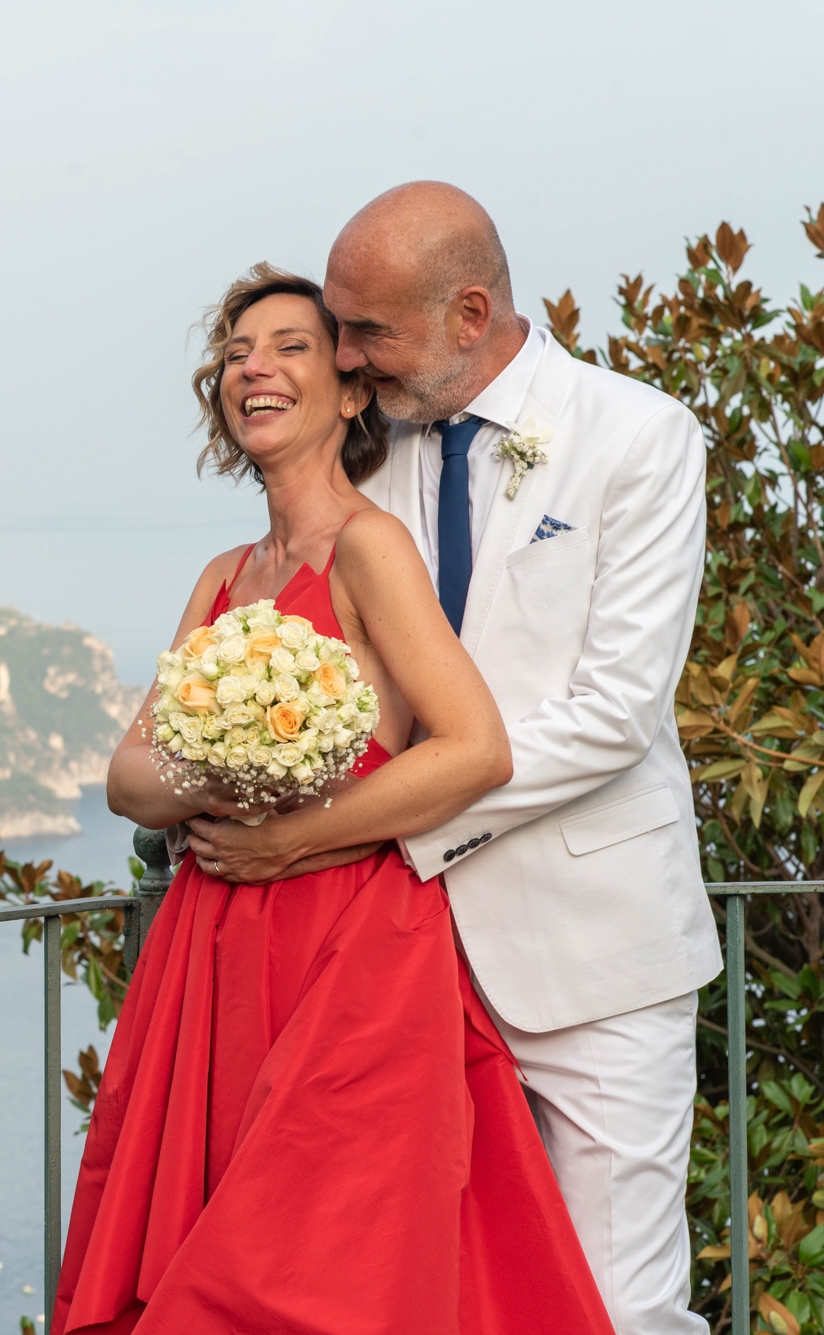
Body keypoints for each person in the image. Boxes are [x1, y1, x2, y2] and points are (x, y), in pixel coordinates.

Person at [185, 183, 722, 1334]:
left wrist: (362, 823)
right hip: (385, 962)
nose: (344, 355)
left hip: (592, 953)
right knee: (417, 1291)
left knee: (615, 1304)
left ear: (468, 311)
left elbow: (612, 712)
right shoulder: (364, 460)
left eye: (364, 331)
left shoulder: (635, 437)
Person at [62, 263, 612, 1334]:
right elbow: (130, 779)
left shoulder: (369, 548)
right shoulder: (223, 576)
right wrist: (229, 757)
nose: (251, 369)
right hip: (213, 946)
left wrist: (289, 835)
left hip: (345, 946)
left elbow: (473, 750)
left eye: (287, 347)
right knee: (208, 1228)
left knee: (314, 1262)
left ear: (351, 390)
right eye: (233, 354)